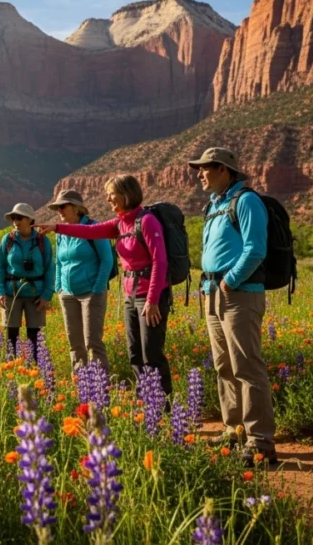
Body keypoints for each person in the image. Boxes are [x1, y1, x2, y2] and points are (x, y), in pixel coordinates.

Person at [35, 176, 172, 395]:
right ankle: (145, 402)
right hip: (130, 294)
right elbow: (89, 231)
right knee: (134, 352)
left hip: (149, 296)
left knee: (151, 354)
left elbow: (160, 261)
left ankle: (163, 406)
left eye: (112, 193)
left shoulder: (146, 221)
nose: (108, 198)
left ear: (126, 194)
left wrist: (153, 300)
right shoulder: (119, 223)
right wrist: (57, 227)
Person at [190, 147, 276, 466]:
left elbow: (255, 249)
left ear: (224, 170)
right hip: (214, 293)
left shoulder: (246, 201)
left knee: (247, 367)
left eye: (205, 168)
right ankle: (234, 430)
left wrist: (230, 281)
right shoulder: (214, 205)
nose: (199, 174)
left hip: (239, 293)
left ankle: (260, 442)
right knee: (224, 366)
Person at [47, 190, 112, 372]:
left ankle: (100, 384)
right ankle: (80, 384)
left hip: (91, 293)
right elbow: (59, 262)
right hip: (67, 294)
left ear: (76, 208)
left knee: (92, 342)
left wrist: (97, 288)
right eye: (57, 207)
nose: (59, 210)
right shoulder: (60, 232)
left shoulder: (93, 228)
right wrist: (59, 288)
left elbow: (107, 260)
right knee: (75, 343)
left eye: (63, 206)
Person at [0, 203, 54, 360]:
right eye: (13, 218)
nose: (15, 221)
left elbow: (50, 268)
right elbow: (0, 267)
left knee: (34, 336)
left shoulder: (43, 241)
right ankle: (11, 369)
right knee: (11, 335)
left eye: (19, 217)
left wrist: (47, 295)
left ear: (29, 219)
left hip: (36, 295)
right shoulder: (7, 240)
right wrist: (0, 292)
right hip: (11, 293)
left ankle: (34, 369)